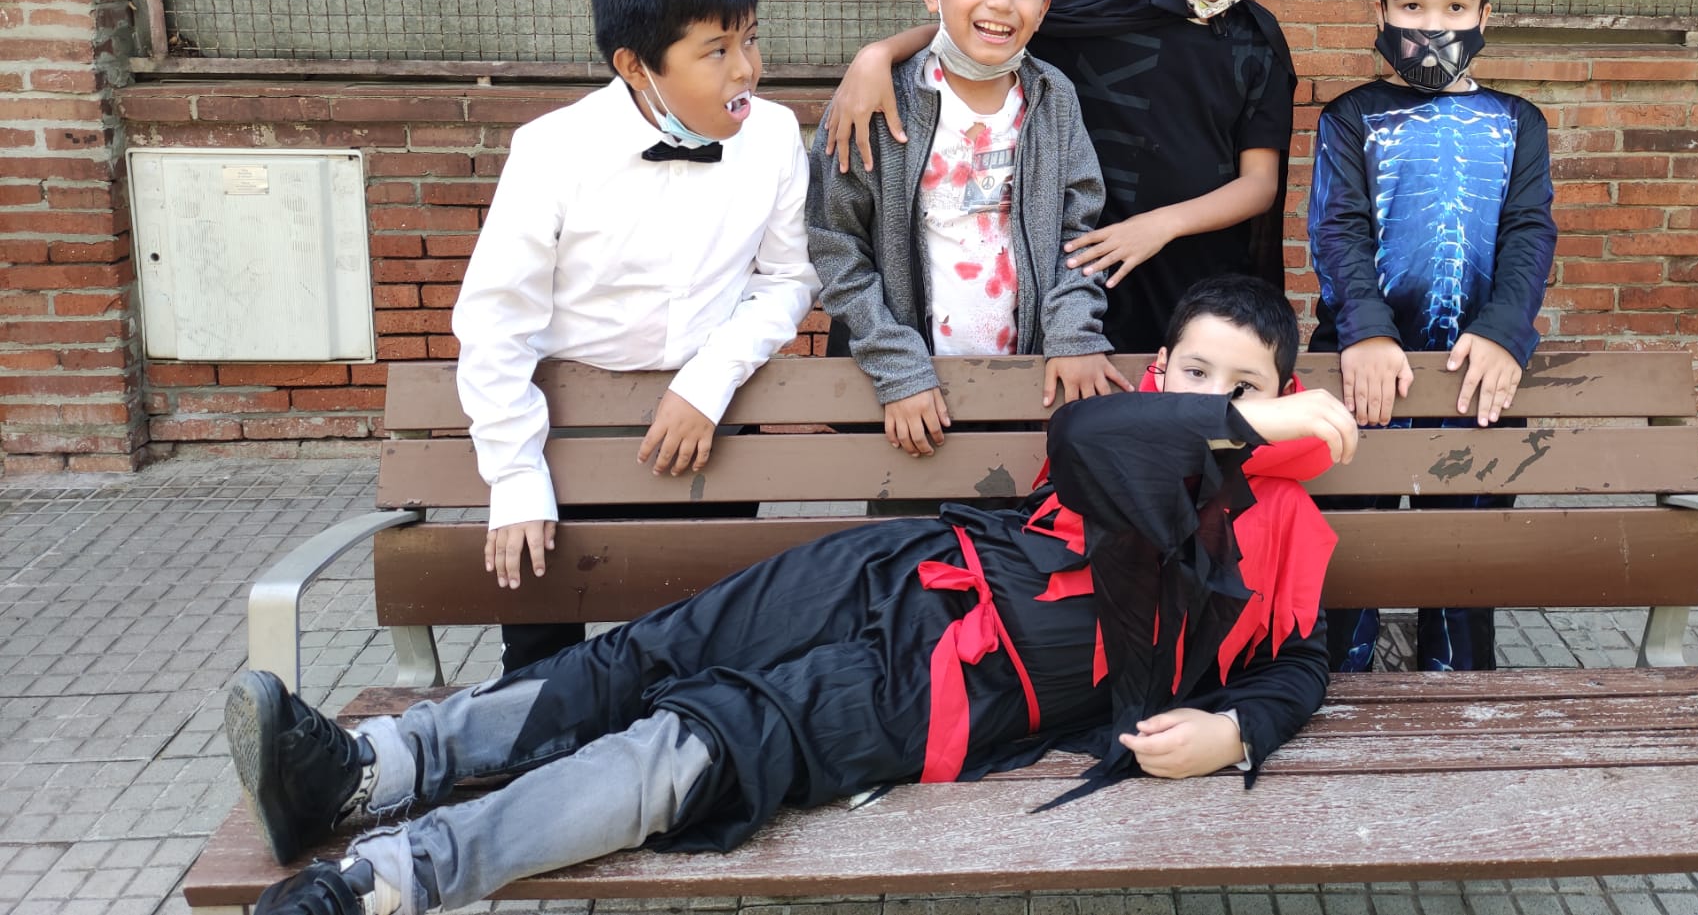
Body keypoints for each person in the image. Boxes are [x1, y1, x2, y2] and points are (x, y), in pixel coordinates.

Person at [225, 276, 1358, 915]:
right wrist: (1243, 418)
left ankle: (385, 882)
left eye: (1245, 383)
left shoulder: (1290, 539)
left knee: (699, 739)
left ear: (1290, 392)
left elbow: (1299, 665)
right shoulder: (1133, 434)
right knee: (649, 651)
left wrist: (1232, 730)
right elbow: (1090, 435)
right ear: (1163, 373)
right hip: (900, 567)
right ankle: (370, 766)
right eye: (1195, 372)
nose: (1216, 396)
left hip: (952, 689)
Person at [451, 0, 819, 670]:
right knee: (541, 663)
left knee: (702, 651)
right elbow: (496, 321)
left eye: (750, 39)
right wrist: (515, 475)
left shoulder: (775, 136)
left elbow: (788, 279)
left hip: (711, 428)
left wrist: (708, 382)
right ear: (635, 65)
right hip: (568, 434)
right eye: (716, 51)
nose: (746, 69)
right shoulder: (552, 150)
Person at [824, 0, 1296, 355]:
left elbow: (1259, 184)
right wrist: (880, 54)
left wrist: (1160, 225)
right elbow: (992, 27)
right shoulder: (1099, 4)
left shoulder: (1260, 45)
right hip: (1083, 276)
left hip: (1195, 268)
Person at [1308, 0, 1557, 673]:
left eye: (1455, 7)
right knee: (1351, 552)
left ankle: (1459, 691)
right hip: (1364, 373)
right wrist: (1366, 329)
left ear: (1485, 15)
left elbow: (1529, 231)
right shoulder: (1350, 117)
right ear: (1381, 12)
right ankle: (1334, 686)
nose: (1432, 26)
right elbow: (1337, 229)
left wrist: (1505, 329)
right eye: (1411, 7)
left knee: (1462, 563)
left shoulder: (1518, 123)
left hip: (1476, 376)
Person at [807, 0, 1130, 458]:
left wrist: (1073, 332)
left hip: (1026, 382)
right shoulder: (876, 101)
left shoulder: (1053, 99)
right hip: (906, 391)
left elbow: (1077, 232)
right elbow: (836, 244)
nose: (1001, 2)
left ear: (1043, 8)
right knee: (913, 512)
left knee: (1019, 511)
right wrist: (897, 367)